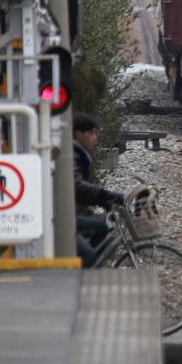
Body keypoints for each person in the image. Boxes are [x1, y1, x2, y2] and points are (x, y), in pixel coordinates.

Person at [73, 113, 124, 268]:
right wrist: (104, 194)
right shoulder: (70, 156)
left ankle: (83, 265)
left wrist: (103, 202)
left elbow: (78, 193)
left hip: (64, 215)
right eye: (91, 133)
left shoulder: (77, 154)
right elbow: (77, 186)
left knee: (102, 229)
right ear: (78, 133)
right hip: (58, 220)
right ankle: (76, 280)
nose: (95, 138)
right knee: (89, 255)